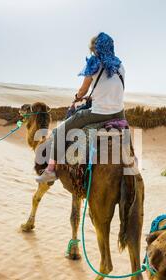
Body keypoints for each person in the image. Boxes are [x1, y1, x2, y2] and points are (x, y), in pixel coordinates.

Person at [36, 32, 125, 183]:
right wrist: (93, 97)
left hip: (99, 113)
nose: (93, 52)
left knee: (59, 131)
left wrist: (77, 97)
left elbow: (83, 89)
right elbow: (111, 89)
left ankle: (50, 171)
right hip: (119, 113)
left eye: (93, 49)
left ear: (97, 48)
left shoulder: (94, 63)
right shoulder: (120, 65)